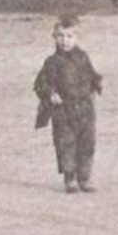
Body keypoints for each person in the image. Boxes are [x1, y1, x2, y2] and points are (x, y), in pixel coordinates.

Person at [33, 15, 104, 194]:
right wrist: (50, 93)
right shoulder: (52, 62)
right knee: (66, 143)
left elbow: (92, 73)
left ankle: (85, 177)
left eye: (69, 36)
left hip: (85, 109)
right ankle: (70, 178)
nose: (65, 41)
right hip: (64, 110)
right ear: (54, 37)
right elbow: (41, 83)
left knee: (87, 143)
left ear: (77, 38)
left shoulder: (83, 57)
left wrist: (96, 85)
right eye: (61, 36)